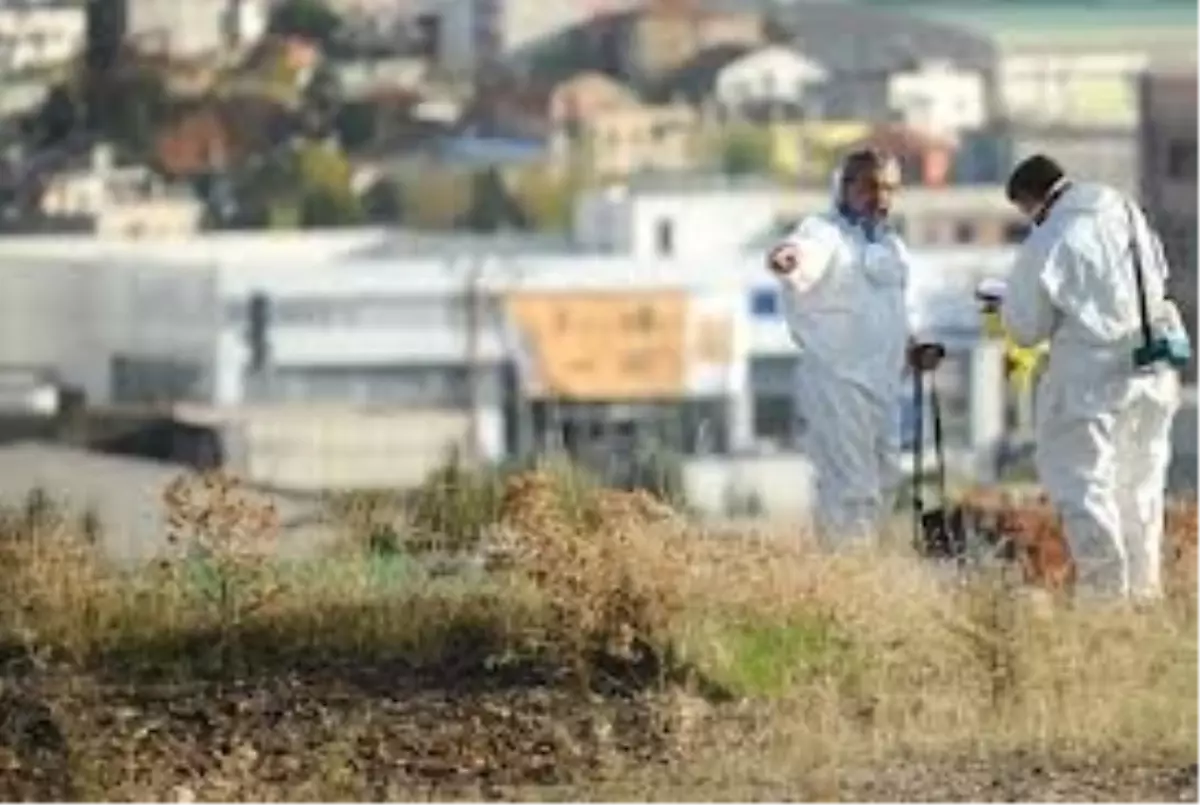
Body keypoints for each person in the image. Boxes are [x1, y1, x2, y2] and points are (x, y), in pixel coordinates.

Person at [999, 153, 1187, 601]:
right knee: (1140, 484)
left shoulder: (1050, 240)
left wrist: (1000, 305)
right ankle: (1144, 595)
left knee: (1084, 485)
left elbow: (1027, 328)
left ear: (1030, 202)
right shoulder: (1125, 211)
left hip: (1090, 380)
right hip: (1152, 370)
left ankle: (1106, 600)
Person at [766, 147, 943, 549]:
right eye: (870, 187)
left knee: (885, 480)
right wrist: (786, 259)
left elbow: (898, 310)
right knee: (852, 486)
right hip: (837, 381)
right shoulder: (824, 232)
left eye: (889, 189)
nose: (880, 198)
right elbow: (798, 254)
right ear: (845, 187)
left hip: (882, 385)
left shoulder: (893, 248)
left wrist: (915, 346)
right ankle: (847, 576)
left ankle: (856, 569)